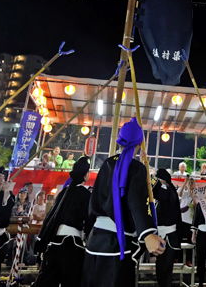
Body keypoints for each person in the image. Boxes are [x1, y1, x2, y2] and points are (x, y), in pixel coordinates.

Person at [82, 118, 165, 287]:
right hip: (117, 244)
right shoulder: (137, 168)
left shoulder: (107, 164)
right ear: (140, 143)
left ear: (119, 140)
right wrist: (147, 234)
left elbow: (94, 201)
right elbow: (137, 202)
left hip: (95, 241)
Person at [33, 157, 91, 287]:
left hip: (54, 243)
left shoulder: (63, 192)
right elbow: (89, 221)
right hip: (73, 245)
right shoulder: (86, 194)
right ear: (86, 175)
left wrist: (41, 244)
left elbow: (50, 217)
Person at [153, 168, 181, 287]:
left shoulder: (170, 193)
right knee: (160, 267)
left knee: (166, 268)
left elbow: (159, 191)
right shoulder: (166, 194)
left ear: (163, 181)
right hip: (160, 234)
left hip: (169, 235)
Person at [178, 175, 196, 267]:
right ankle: (179, 259)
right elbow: (179, 194)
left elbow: (196, 206)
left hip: (190, 222)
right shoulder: (184, 193)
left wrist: (192, 196)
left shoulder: (196, 195)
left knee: (189, 241)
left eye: (192, 183)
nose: (191, 184)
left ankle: (188, 260)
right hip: (182, 220)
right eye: (189, 183)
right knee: (180, 240)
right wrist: (185, 182)